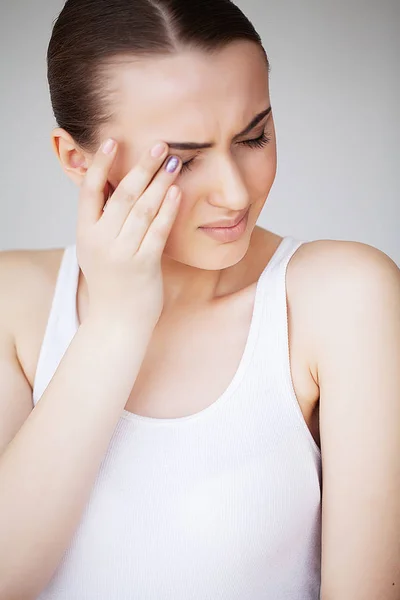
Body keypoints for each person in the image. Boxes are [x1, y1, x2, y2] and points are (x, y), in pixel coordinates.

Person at [0, 0, 399, 598]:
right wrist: (116, 324)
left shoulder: (342, 299)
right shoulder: (15, 305)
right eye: (182, 160)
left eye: (254, 136)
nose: (235, 192)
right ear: (77, 160)